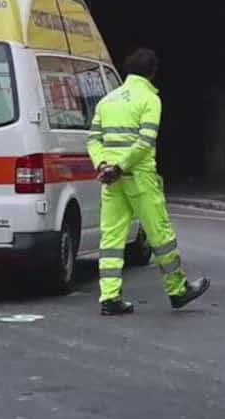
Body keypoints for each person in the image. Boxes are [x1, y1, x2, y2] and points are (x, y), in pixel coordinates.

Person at [87, 48, 210, 316]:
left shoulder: (107, 100)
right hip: (139, 177)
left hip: (111, 179)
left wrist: (104, 165)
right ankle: (178, 290)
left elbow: (93, 138)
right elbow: (145, 141)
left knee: (111, 238)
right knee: (161, 236)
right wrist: (121, 166)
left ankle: (109, 297)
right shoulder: (150, 100)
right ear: (153, 72)